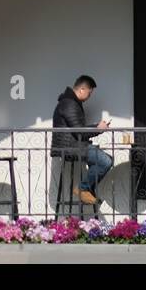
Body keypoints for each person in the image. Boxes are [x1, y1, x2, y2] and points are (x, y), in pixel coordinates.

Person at [51, 75, 112, 206]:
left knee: (108, 159)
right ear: (82, 89)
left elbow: (78, 129)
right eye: (90, 93)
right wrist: (98, 128)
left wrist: (97, 127)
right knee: (105, 161)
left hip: (75, 145)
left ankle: (87, 190)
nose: (90, 96)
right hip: (69, 147)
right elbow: (79, 131)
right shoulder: (69, 104)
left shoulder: (72, 103)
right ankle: (83, 189)